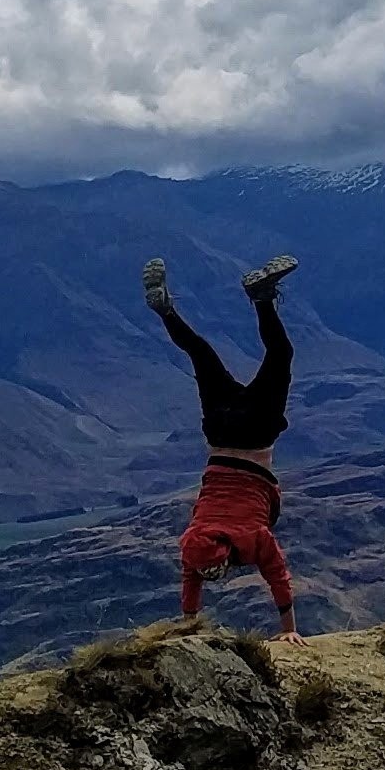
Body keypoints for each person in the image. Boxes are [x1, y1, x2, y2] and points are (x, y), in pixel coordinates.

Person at [148, 251, 300, 632]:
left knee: (280, 354)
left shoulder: (252, 538)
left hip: (255, 435)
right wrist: (188, 622)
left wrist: (290, 631)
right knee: (201, 355)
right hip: (218, 432)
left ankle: (263, 299)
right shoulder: (192, 542)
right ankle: (167, 311)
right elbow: (190, 587)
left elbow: (278, 578)